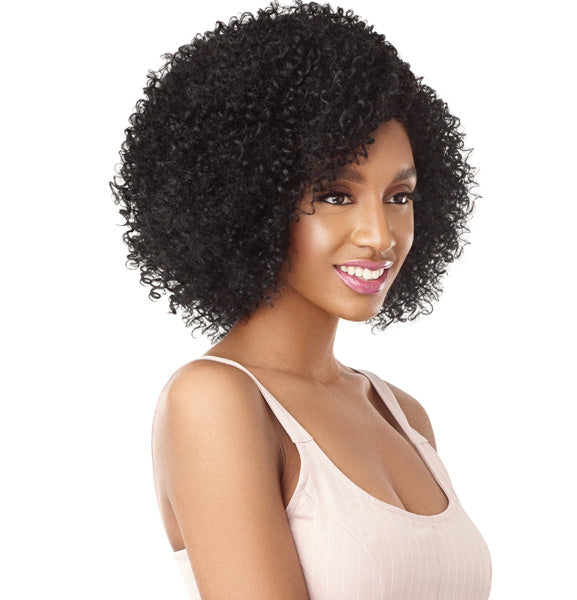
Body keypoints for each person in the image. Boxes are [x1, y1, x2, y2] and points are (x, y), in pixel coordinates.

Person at [110, 1, 492, 598]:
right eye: (336, 195)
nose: (380, 235)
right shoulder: (215, 401)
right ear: (251, 201)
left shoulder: (403, 415)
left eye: (399, 196)